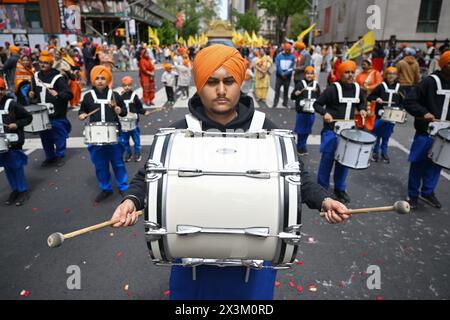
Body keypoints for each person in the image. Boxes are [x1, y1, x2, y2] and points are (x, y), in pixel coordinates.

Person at [110, 44, 350, 300]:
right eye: (212, 82)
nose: (221, 90)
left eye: (229, 81)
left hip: (253, 261)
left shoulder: (264, 130)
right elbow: (149, 174)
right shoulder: (180, 132)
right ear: (200, 85)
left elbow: (296, 176)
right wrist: (130, 200)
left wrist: (324, 200)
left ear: (240, 84)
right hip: (193, 263)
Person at [313, 60, 367, 204]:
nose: (350, 75)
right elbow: (316, 104)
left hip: (348, 133)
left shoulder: (357, 88)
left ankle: (339, 189)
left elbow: (362, 102)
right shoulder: (332, 89)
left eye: (352, 72)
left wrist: (362, 109)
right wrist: (325, 113)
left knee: (344, 162)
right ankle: (322, 188)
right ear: (340, 74)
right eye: (346, 72)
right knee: (327, 161)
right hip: (331, 131)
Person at [404, 51, 450, 209]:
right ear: (444, 65)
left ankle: (428, 192)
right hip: (426, 133)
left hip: (445, 135)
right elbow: (409, 101)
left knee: (436, 164)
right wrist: (424, 113)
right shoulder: (430, 81)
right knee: (418, 164)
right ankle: (413, 194)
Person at [78, 66, 128, 203]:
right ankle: (106, 188)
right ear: (93, 80)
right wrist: (82, 114)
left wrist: (119, 110)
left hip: (114, 134)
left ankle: (123, 187)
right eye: (97, 78)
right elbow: (82, 110)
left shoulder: (114, 95)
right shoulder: (88, 96)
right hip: (96, 136)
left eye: (103, 78)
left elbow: (124, 111)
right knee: (100, 164)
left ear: (108, 80)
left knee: (118, 163)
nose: (100, 81)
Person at [28, 50, 73, 167]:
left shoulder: (58, 78)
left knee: (59, 136)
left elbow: (69, 95)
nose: (43, 65)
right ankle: (50, 157)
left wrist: (57, 94)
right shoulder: (35, 76)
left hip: (56, 114)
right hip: (41, 114)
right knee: (45, 138)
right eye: (41, 62)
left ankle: (59, 155)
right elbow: (33, 94)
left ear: (51, 64)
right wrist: (31, 94)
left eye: (46, 63)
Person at [0, 77, 33, 206]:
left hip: (14, 140)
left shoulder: (12, 104)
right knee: (7, 166)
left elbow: (28, 117)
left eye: (1, 90)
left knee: (16, 166)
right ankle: (14, 190)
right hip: (1, 142)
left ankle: (22, 190)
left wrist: (17, 124)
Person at [367, 66, 403, 163]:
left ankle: (384, 152)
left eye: (393, 74)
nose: (391, 76)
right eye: (389, 73)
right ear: (385, 75)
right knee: (377, 134)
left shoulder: (399, 88)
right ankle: (375, 152)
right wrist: (377, 99)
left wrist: (400, 109)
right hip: (381, 115)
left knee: (386, 136)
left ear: (396, 76)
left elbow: (404, 101)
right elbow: (370, 97)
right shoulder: (381, 86)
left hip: (392, 116)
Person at [118, 76, 151, 162]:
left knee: (136, 139)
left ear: (131, 85)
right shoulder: (120, 97)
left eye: (129, 85)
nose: (127, 87)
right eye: (125, 85)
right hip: (124, 122)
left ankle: (137, 153)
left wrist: (144, 112)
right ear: (122, 86)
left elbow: (139, 107)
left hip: (133, 122)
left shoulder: (134, 96)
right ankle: (128, 153)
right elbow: (118, 109)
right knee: (125, 141)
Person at [291, 66, 320, 155]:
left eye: (311, 74)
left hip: (311, 112)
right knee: (300, 130)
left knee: (307, 130)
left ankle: (303, 145)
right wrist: (296, 94)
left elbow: (320, 98)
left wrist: (318, 92)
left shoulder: (316, 85)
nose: (309, 75)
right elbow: (292, 96)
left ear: (313, 75)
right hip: (302, 112)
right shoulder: (300, 84)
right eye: (308, 73)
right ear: (305, 74)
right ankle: (300, 147)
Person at [272, 42, 295, 108]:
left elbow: (292, 67)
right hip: (279, 75)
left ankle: (285, 103)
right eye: (286, 49)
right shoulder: (279, 56)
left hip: (287, 76)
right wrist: (281, 73)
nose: (288, 51)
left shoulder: (292, 56)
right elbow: (277, 65)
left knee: (286, 90)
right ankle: (275, 103)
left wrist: (286, 73)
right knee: (277, 90)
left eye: (289, 50)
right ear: (284, 49)